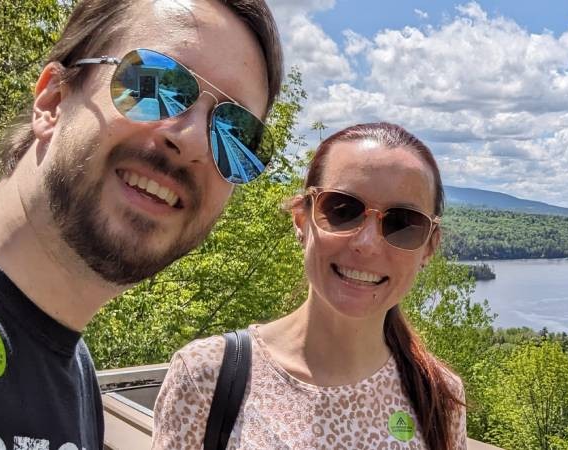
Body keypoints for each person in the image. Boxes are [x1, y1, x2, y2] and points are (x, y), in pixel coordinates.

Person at [0, 0, 282, 448]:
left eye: (235, 133)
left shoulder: (77, 380)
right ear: (52, 100)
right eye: (153, 84)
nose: (192, 143)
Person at [152, 123, 467, 449]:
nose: (367, 243)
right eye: (342, 210)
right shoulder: (207, 377)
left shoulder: (440, 397)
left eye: (402, 223)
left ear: (429, 247)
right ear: (302, 220)